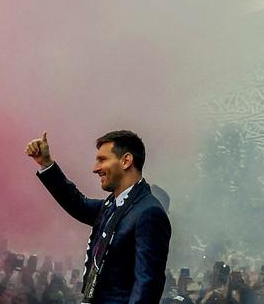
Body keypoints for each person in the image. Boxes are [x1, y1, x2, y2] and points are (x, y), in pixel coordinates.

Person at [25, 130, 171, 304]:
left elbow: (147, 286)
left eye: (102, 160)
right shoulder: (113, 206)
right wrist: (46, 164)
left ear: (126, 161)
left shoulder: (148, 212)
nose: (95, 169)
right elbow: (78, 204)